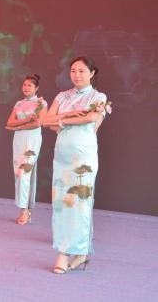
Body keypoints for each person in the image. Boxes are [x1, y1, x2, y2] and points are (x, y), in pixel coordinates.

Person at [43, 56, 108, 274]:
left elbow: (89, 119)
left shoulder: (98, 97)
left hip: (83, 157)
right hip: (62, 155)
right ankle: (80, 253)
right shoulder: (62, 96)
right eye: (73, 71)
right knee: (62, 202)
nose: (77, 75)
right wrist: (68, 114)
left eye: (81, 71)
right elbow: (45, 120)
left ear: (92, 73)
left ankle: (65, 253)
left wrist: (61, 121)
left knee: (80, 202)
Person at [5, 74, 48, 225]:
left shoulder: (41, 103)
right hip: (18, 140)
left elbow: (37, 124)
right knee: (19, 173)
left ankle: (24, 209)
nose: (26, 87)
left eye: (30, 85)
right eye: (24, 85)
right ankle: (26, 208)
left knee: (23, 172)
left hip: (32, 140)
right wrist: (26, 120)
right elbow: (9, 122)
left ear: (36, 88)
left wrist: (18, 126)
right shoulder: (18, 103)